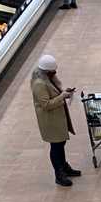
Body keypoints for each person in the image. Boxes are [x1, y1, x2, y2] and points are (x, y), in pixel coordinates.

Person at [31, 55, 81, 187]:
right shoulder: (39, 84)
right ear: (47, 71)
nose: (55, 73)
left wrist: (64, 92)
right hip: (50, 121)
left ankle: (64, 167)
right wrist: (62, 96)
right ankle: (59, 174)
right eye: (53, 71)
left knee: (61, 143)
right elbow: (46, 105)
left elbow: (54, 92)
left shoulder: (47, 78)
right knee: (56, 146)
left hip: (57, 118)